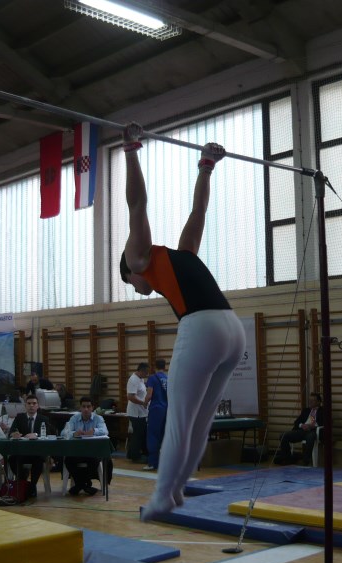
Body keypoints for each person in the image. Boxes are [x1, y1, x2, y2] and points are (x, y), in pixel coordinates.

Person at [119, 123, 246, 520]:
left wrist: (131, 151)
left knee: (180, 421)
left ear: (131, 268)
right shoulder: (185, 252)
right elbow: (198, 211)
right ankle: (175, 491)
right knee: (199, 422)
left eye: (131, 284)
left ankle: (162, 497)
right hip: (234, 329)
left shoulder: (139, 257)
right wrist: (206, 167)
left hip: (204, 327)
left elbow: (137, 205)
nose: (138, 289)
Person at [61, 397, 109, 496]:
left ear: (92, 408)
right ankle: (85, 485)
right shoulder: (74, 418)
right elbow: (63, 433)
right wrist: (74, 433)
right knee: (68, 460)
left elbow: (105, 431)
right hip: (77, 451)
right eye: (83, 406)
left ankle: (79, 485)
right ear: (80, 408)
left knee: (95, 460)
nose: (86, 409)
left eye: (88, 406)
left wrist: (94, 431)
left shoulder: (98, 418)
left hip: (92, 452)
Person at [8, 395, 54, 498]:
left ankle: (32, 486)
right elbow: (11, 432)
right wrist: (14, 434)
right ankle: (23, 482)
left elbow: (49, 434)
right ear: (25, 405)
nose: (31, 406)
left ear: (38, 406)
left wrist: (36, 435)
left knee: (39, 460)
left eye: (34, 403)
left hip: (37, 452)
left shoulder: (43, 419)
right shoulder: (19, 417)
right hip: (22, 452)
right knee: (12, 459)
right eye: (29, 403)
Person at [273, 394, 323, 466]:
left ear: (319, 402)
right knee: (283, 436)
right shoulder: (306, 410)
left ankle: (306, 461)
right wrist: (302, 425)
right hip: (301, 430)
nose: (310, 402)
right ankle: (287, 458)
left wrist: (311, 426)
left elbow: (325, 422)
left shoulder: (323, 411)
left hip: (313, 431)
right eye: (310, 400)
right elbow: (296, 422)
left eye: (313, 400)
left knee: (310, 437)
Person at [145, 359, 169, 471]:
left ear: (154, 367)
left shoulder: (152, 378)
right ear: (165, 367)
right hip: (166, 409)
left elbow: (149, 394)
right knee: (164, 435)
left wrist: (144, 403)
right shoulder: (168, 378)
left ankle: (153, 463)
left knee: (153, 435)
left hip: (156, 409)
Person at [126, 362, 149, 463]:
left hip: (141, 412)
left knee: (139, 434)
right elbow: (130, 397)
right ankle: (135, 457)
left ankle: (131, 454)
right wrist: (143, 403)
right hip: (136, 413)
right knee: (138, 435)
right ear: (141, 371)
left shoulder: (140, 379)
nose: (147, 375)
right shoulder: (133, 380)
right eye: (146, 372)